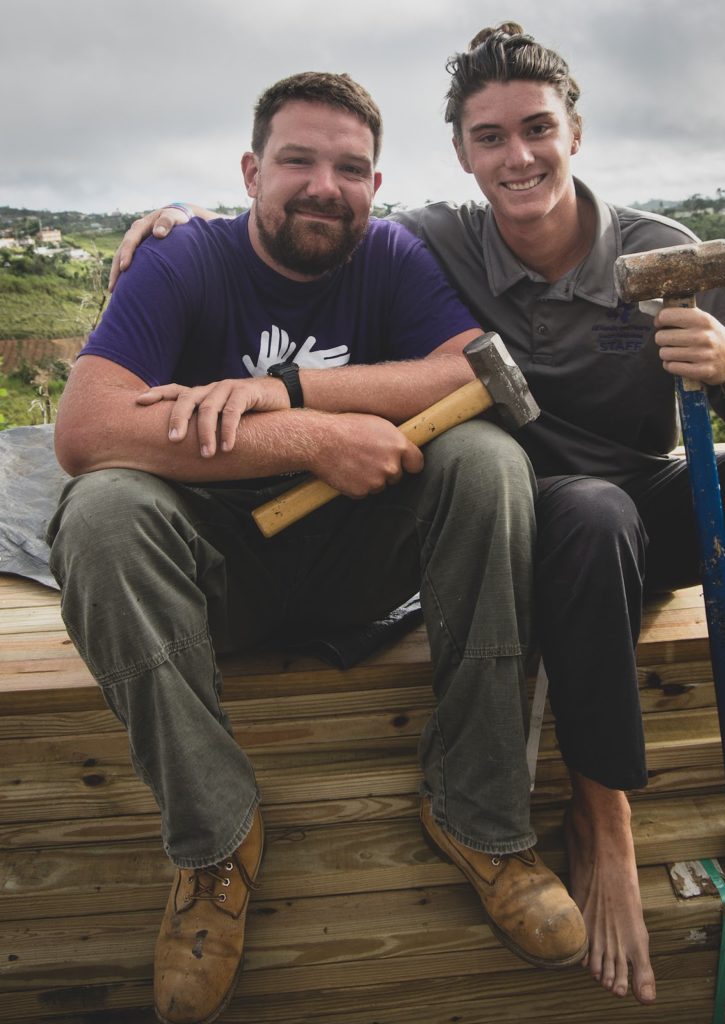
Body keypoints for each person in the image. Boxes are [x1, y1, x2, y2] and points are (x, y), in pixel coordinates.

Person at [109, 25, 725, 1009]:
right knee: (589, 513)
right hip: (550, 519)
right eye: (490, 138)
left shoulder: (663, 249)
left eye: (537, 129)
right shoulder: (438, 240)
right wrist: (182, 221)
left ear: (575, 132)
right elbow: (315, 209)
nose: (517, 157)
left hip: (659, 496)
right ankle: (600, 820)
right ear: (462, 154)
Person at [49, 71, 589, 1024]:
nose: (322, 185)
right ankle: (217, 845)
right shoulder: (185, 261)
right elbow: (87, 430)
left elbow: (459, 369)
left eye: (349, 167)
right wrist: (308, 444)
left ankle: (482, 819)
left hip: (358, 564)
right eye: (297, 160)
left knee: (487, 459)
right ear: (253, 171)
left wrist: (296, 396)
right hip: (214, 569)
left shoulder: (392, 256)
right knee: (99, 514)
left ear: (374, 187)